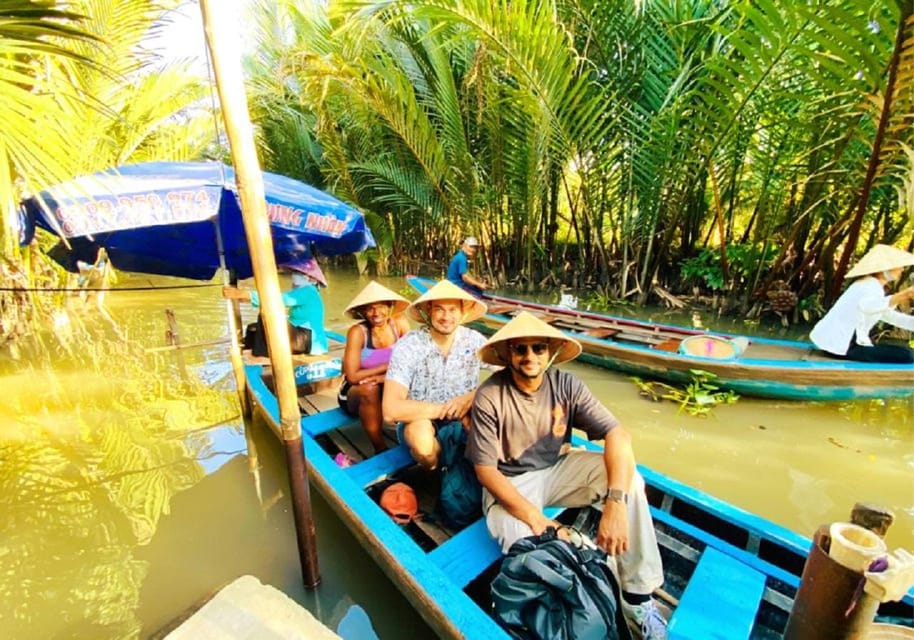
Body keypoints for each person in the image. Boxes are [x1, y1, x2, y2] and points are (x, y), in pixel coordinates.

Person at [467, 311, 668, 640]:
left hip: (557, 468)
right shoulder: (491, 395)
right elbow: (486, 471)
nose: (530, 356)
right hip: (509, 483)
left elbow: (618, 435)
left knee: (631, 480)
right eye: (521, 349)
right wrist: (537, 519)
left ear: (551, 352)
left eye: (538, 348)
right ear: (507, 355)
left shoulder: (566, 384)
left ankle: (636, 596)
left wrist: (615, 504)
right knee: (532, 551)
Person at [382, 280, 489, 469]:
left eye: (452, 310)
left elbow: (509, 373)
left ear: (463, 312)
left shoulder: (474, 340)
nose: (446, 317)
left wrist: (472, 397)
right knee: (422, 443)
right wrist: (450, 410)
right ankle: (436, 470)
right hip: (420, 418)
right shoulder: (410, 345)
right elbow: (391, 410)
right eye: (439, 309)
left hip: (466, 416)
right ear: (428, 311)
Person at [339, 281, 412, 453]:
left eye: (381, 307)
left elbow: (413, 362)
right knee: (369, 388)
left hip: (388, 383)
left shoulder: (399, 324)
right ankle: (379, 446)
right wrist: (387, 368)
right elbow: (353, 376)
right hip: (355, 391)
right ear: (363, 312)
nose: (376, 313)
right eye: (370, 308)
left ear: (389, 307)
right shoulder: (358, 332)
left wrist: (385, 375)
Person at [810, 244, 914, 363]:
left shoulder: (871, 285)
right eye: (898, 266)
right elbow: (868, 307)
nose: (902, 269)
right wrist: (903, 295)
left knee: (906, 352)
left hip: (842, 344)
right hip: (845, 346)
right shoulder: (868, 285)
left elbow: (889, 316)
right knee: (907, 355)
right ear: (884, 268)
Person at [226, 257, 330, 355]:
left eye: (300, 273)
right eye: (295, 273)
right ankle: (248, 349)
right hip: (301, 337)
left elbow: (278, 299)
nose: (294, 276)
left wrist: (247, 295)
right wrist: (248, 298)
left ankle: (263, 355)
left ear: (312, 279)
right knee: (253, 328)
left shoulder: (309, 291)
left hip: (307, 340)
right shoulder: (304, 291)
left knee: (267, 316)